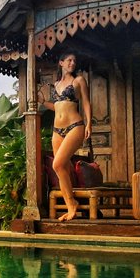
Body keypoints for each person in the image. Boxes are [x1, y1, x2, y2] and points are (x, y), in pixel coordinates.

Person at [39, 52, 92, 221]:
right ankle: (71, 207)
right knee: (62, 169)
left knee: (57, 164)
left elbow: (85, 102)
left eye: (74, 60)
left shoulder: (79, 81)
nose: (72, 63)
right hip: (57, 130)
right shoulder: (56, 84)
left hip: (74, 126)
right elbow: (58, 107)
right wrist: (42, 103)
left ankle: (72, 204)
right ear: (61, 62)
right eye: (69, 60)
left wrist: (89, 123)